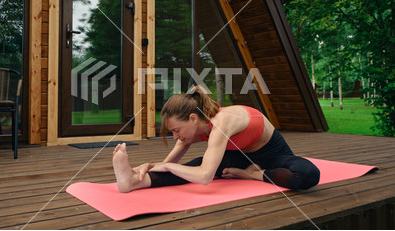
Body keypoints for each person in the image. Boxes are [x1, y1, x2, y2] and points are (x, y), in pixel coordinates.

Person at [112, 86, 320, 193]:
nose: (176, 137)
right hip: (236, 157)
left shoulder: (221, 123)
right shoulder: (193, 128)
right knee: (186, 170)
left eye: (176, 130)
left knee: (307, 174)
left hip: (273, 154)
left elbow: (204, 177)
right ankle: (131, 183)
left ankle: (253, 175)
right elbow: (172, 166)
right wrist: (148, 167)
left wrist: (166, 167)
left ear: (193, 119)